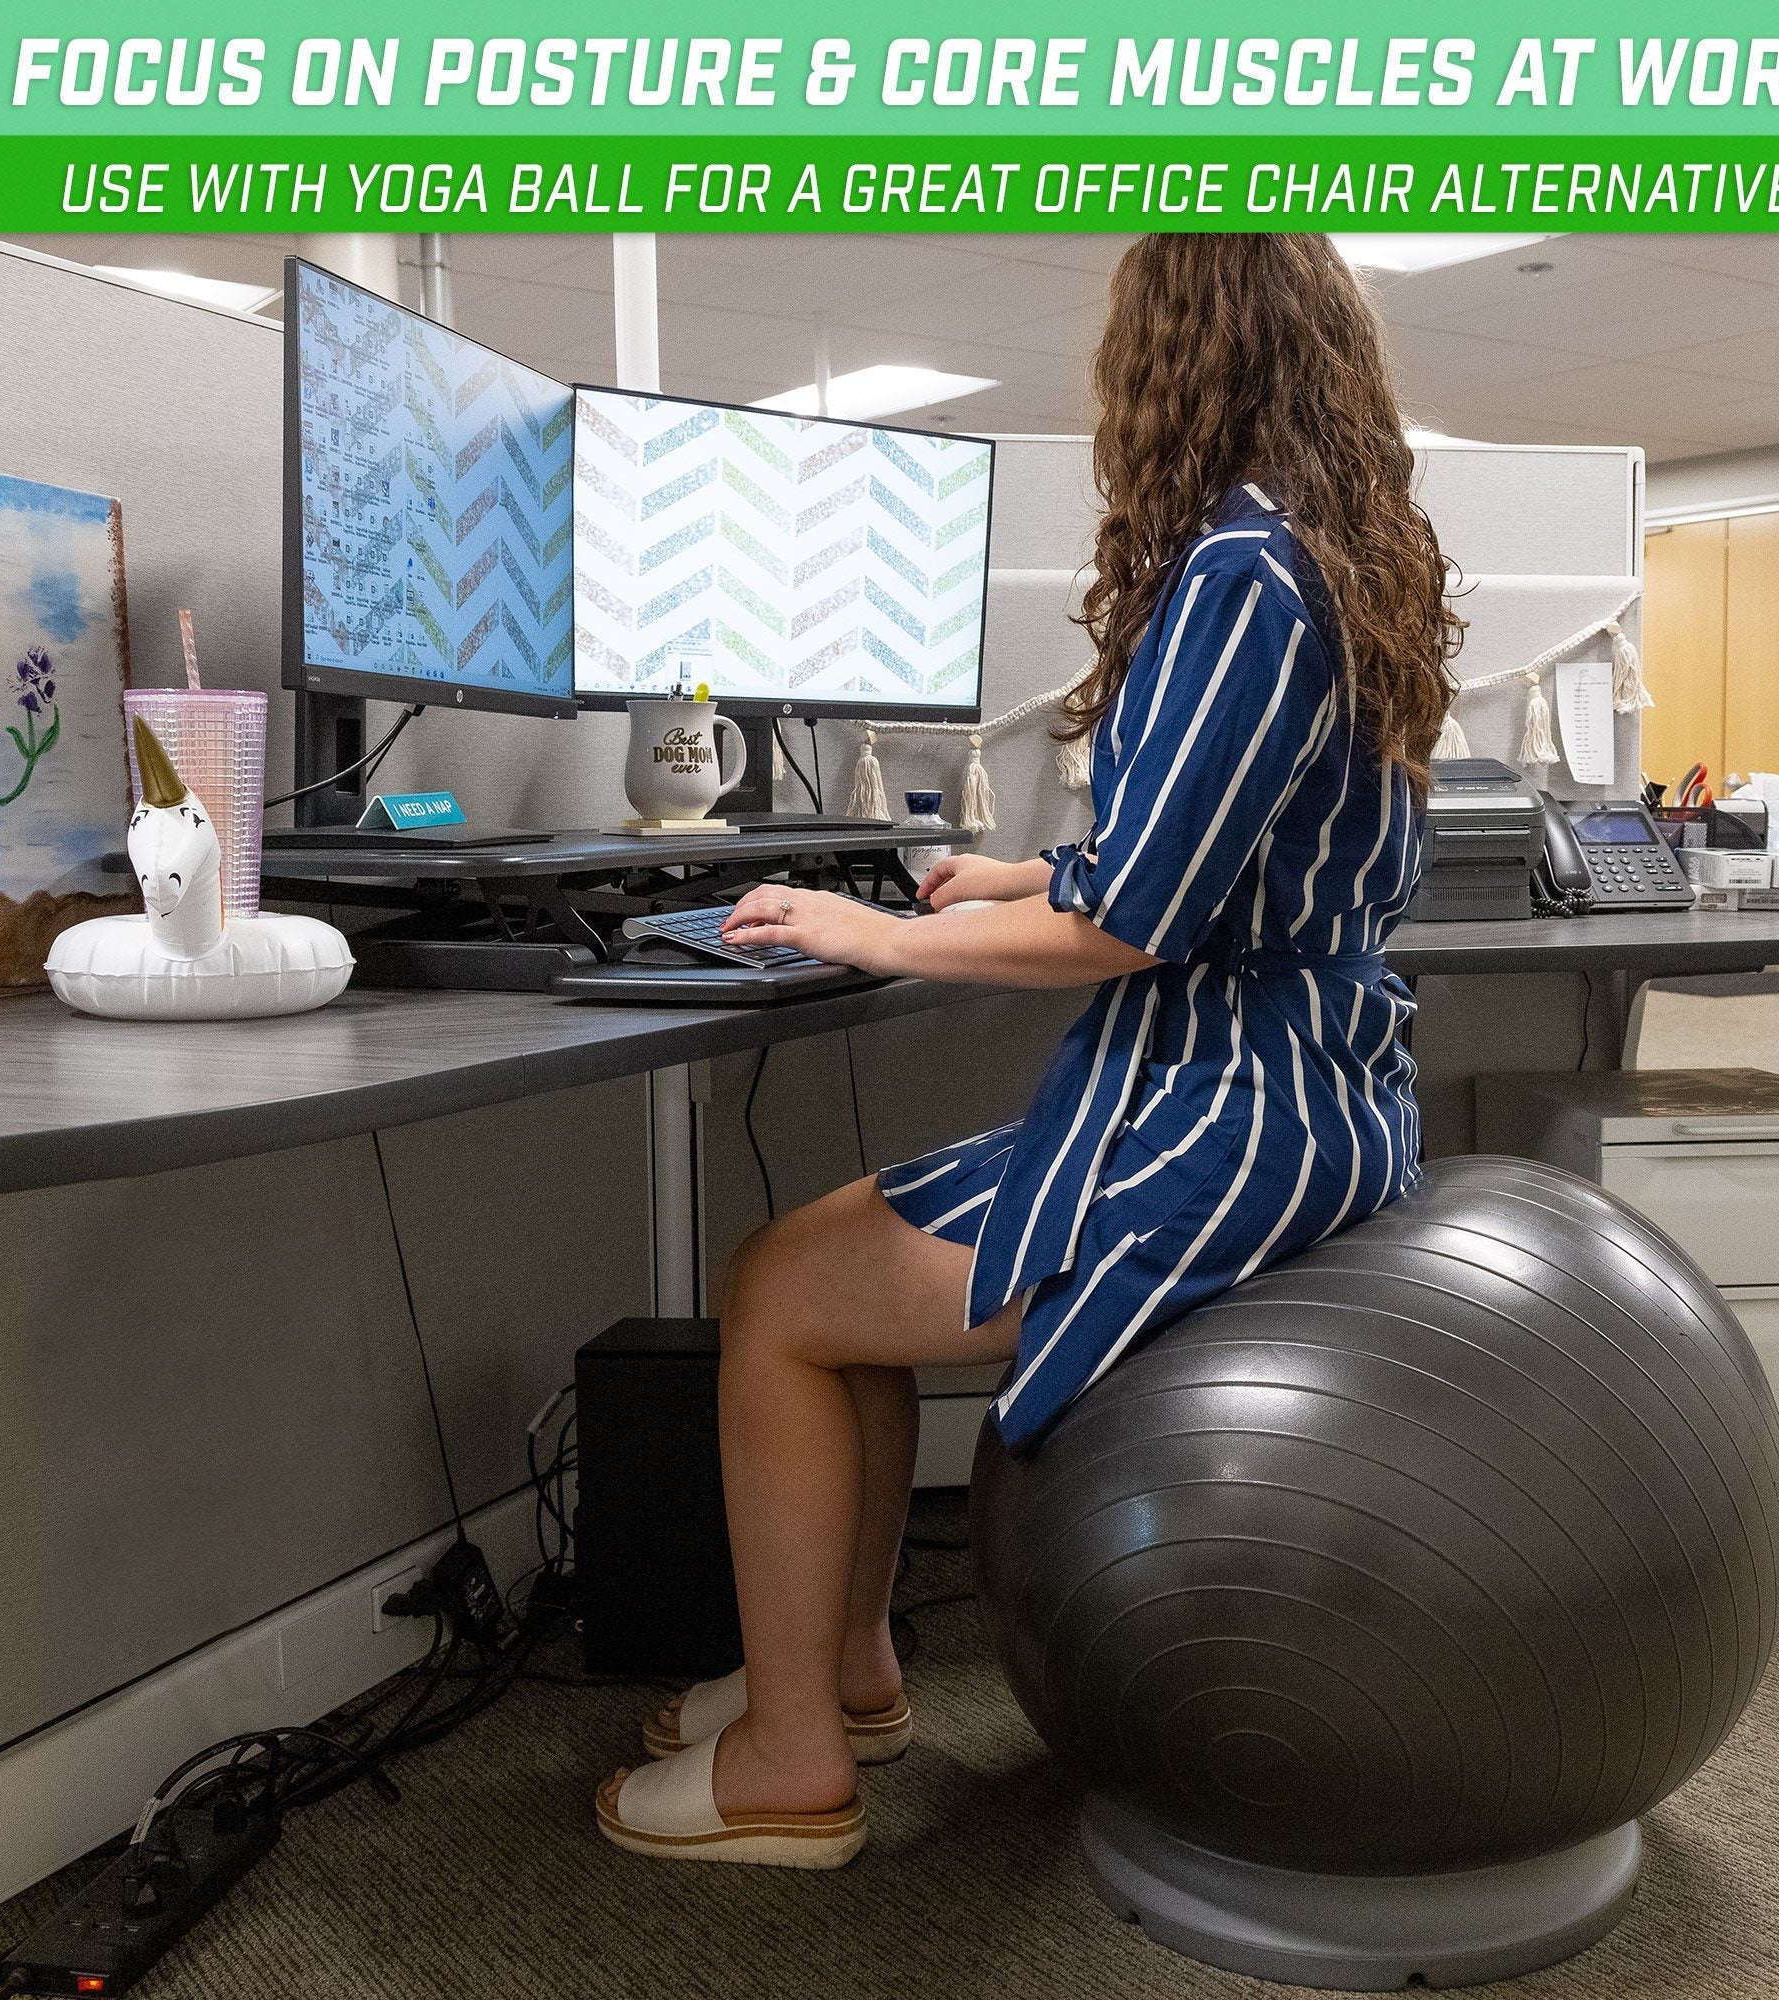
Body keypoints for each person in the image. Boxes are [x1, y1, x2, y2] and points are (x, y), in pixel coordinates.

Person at [596, 231, 1461, 1869]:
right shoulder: (1344, 558)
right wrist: (1015, 874)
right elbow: (1215, 862)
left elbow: (1134, 926)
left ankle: (794, 1765)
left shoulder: (1240, 577)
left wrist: (888, 931)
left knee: (779, 1293)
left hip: (1220, 1111)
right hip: (1307, 1079)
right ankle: (839, 1674)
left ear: (1169, 365)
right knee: (817, 1266)